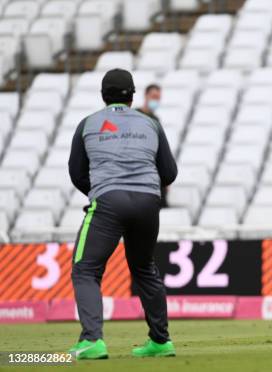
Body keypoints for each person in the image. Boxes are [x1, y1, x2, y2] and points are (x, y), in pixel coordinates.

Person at [68, 69, 178, 359]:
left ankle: (92, 340)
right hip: (148, 203)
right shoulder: (150, 124)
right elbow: (169, 172)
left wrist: (101, 192)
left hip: (108, 201)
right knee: (144, 269)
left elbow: (76, 173)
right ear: (132, 95)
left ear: (103, 95)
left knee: (85, 269)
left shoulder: (88, 124)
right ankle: (161, 341)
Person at [136, 83, 169, 207]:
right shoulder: (134, 115)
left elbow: (159, 147)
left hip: (153, 171)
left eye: (158, 98)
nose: (156, 100)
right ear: (146, 95)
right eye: (154, 96)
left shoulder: (156, 119)